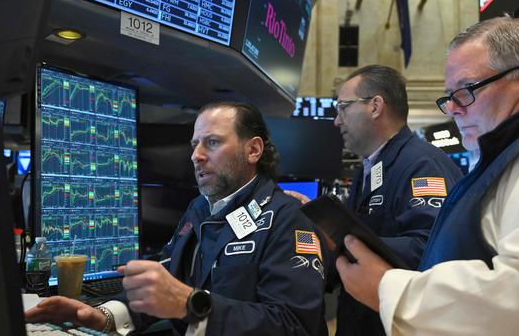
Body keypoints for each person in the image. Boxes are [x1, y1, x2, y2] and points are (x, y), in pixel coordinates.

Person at [335, 15, 519, 336]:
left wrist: (389, 290)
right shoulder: (515, 157)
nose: (452, 108)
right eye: (449, 96)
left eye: (466, 89)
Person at [26, 102, 328, 336]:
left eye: (211, 142)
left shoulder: (287, 220)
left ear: (253, 150)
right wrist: (104, 316)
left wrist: (191, 304)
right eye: (194, 144)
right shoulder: (199, 209)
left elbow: (294, 326)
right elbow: (166, 283)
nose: (196, 155)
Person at [331, 65, 463, 336]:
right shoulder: (372, 165)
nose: (337, 120)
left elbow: (429, 247)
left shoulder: (422, 164)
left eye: (343, 107)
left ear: (375, 106)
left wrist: (345, 244)